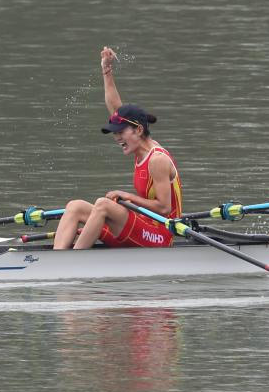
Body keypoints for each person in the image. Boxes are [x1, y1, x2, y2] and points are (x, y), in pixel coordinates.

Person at [53, 47, 183, 250]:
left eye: (120, 132)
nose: (117, 137)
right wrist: (106, 71)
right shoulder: (140, 146)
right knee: (75, 206)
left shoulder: (157, 160)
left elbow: (165, 208)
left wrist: (129, 197)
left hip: (161, 235)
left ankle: (72, 262)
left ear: (138, 130)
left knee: (103, 205)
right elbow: (116, 109)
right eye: (115, 132)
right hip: (142, 227)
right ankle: (57, 259)